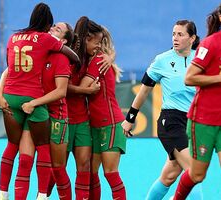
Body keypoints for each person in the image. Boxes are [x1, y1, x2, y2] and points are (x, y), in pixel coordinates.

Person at [0, 3, 79, 200]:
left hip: (14, 98)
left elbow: (9, 68)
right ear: (47, 23)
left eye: (57, 29)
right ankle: (42, 195)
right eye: (52, 26)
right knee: (38, 153)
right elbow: (72, 60)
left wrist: (1, 95)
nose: (52, 30)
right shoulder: (45, 41)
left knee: (15, 148)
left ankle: (2, 192)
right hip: (33, 102)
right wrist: (77, 59)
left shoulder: (14, 37)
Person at [121, 20, 203, 200]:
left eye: (180, 34)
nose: (175, 38)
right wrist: (130, 118)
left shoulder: (200, 59)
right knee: (194, 173)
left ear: (192, 38)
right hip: (170, 121)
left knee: (169, 176)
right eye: (174, 34)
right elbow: (143, 91)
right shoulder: (162, 60)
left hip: (193, 123)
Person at [173, 4, 221, 200]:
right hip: (204, 120)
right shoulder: (211, 44)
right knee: (197, 174)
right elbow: (189, 78)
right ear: (220, 17)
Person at [78, 25, 127, 200]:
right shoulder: (95, 59)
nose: (98, 46)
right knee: (91, 174)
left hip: (111, 124)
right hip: (95, 125)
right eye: (95, 42)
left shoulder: (99, 60)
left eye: (100, 42)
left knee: (110, 173)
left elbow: (83, 87)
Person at [66, 16, 103, 200]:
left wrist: (111, 56)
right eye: (96, 42)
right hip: (62, 119)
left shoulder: (91, 59)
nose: (98, 47)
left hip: (82, 120)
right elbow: (60, 88)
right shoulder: (67, 56)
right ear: (87, 38)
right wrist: (85, 90)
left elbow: (109, 48)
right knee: (56, 169)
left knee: (85, 166)